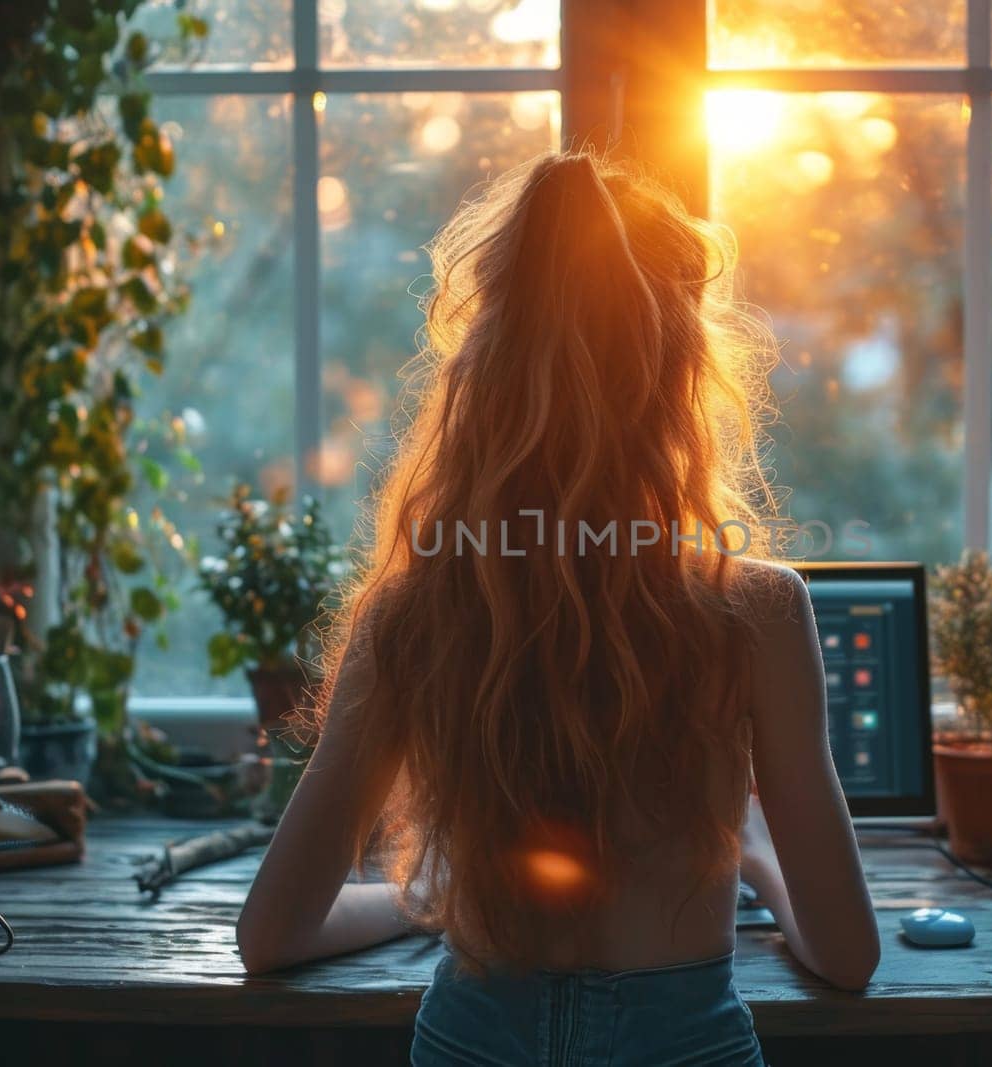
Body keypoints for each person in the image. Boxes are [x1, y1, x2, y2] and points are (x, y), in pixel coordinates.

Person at [236, 152, 879, 1065]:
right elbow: (849, 956)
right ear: (678, 377)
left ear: (484, 377)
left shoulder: (416, 614)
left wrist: (434, 899)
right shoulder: (758, 612)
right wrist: (755, 863)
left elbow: (270, 934)